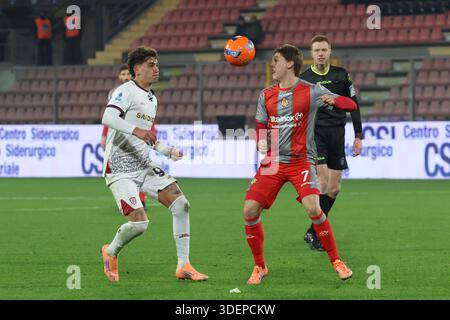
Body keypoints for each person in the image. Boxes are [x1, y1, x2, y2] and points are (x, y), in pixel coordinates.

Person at [244, 44, 355, 285]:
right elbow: (261, 124)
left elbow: (351, 104)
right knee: (249, 211)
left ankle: (336, 261)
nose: (272, 65)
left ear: (290, 63)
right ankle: (260, 266)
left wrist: (335, 102)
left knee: (313, 208)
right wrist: (261, 141)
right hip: (273, 162)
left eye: (276, 60)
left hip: (301, 161)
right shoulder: (266, 95)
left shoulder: (312, 90)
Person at [100, 47, 208, 282]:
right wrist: (136, 130)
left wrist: (167, 151)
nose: (156, 68)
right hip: (119, 167)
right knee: (140, 224)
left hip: (143, 163)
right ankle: (110, 252)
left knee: (181, 205)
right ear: (136, 69)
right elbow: (108, 117)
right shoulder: (125, 91)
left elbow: (146, 137)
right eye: (150, 64)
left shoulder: (151, 98)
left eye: (156, 64)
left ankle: (184, 265)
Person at [300, 35, 363, 251]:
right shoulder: (304, 79)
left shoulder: (341, 75)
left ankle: (312, 231)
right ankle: (319, 232)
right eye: (317, 50)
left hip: (338, 134)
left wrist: (358, 135)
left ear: (330, 51)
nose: (320, 53)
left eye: (324, 50)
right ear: (311, 53)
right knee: (324, 183)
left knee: (334, 189)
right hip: (316, 135)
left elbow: (354, 105)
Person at [101, 64, 149, 209]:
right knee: (124, 170)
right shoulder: (115, 93)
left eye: (127, 74)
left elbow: (146, 116)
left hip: (137, 135)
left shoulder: (141, 92)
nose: (125, 77)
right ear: (119, 76)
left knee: (139, 167)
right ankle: (128, 199)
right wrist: (104, 135)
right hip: (120, 138)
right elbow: (111, 116)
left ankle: (141, 199)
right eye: (122, 74)